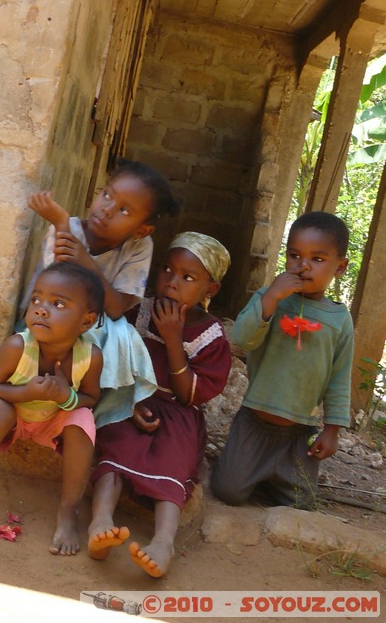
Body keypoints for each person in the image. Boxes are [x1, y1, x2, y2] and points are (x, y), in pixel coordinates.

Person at [87, 232, 232, 578]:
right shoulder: (139, 310)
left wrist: (172, 338)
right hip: (132, 400)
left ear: (210, 290)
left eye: (188, 277)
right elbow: (115, 357)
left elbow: (187, 395)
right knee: (115, 449)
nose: (172, 282)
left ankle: (163, 542)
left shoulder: (211, 335)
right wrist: (127, 400)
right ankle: (100, 521)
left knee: (173, 462)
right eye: (167, 269)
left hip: (179, 413)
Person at [0, 262, 104, 556]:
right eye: (36, 299)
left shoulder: (91, 357)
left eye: (57, 303)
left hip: (52, 419)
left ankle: (68, 511)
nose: (41, 309)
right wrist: (25, 392)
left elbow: (91, 397)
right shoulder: (17, 346)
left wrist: (66, 397)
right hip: (12, 414)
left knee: (82, 419)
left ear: (86, 321)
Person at [19, 158, 182, 428]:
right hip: (46, 319)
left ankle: (103, 411)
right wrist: (61, 223)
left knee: (122, 332)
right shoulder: (66, 230)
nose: (107, 210)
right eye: (107, 195)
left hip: (91, 327)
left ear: (142, 230)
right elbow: (56, 293)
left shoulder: (139, 247)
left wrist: (86, 260)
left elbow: (117, 307)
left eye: (124, 210)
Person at [211, 211, 353, 511]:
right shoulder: (270, 298)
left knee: (303, 504)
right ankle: (253, 472)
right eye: (294, 255)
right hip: (254, 421)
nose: (303, 265)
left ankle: (270, 475)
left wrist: (332, 430)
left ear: (340, 267)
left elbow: (339, 377)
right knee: (228, 492)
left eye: (317, 258)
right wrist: (271, 298)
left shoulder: (340, 320)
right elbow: (244, 338)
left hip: (299, 432)